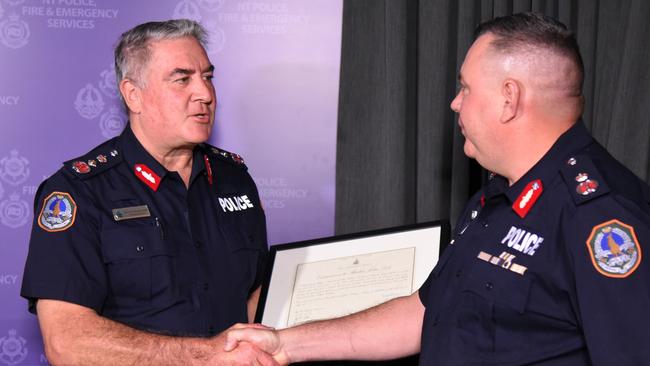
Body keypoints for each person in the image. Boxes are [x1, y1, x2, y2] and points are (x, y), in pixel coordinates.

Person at [223, 12, 650, 365]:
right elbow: (424, 314)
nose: (455, 103)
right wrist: (284, 344)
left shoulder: (603, 218)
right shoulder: (495, 196)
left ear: (508, 99)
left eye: (465, 87)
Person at [21, 19, 278, 366]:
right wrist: (206, 356)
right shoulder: (79, 191)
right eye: (182, 79)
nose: (205, 94)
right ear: (133, 95)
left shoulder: (236, 179)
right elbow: (68, 343)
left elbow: (254, 299)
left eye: (208, 77)